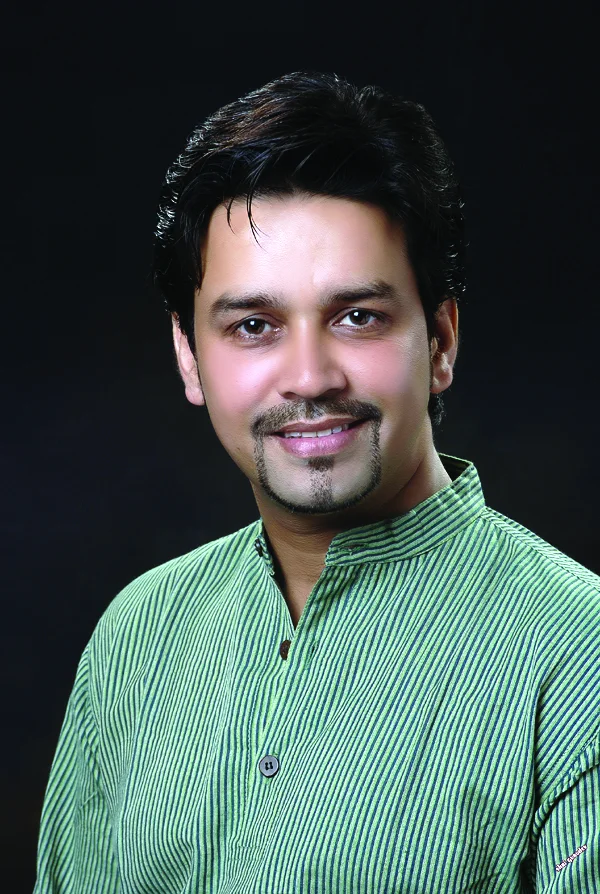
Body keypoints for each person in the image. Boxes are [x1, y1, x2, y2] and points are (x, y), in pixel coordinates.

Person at [34, 70, 599, 893]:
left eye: (357, 316)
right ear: (190, 356)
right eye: (253, 326)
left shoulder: (576, 656)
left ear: (440, 340)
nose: (308, 376)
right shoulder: (138, 638)